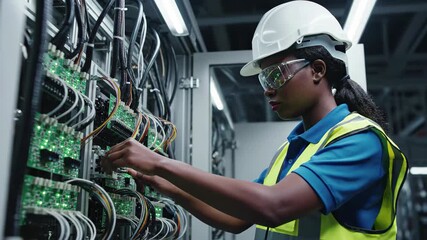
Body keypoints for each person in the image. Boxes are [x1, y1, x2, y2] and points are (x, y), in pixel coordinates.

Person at [104, 1, 408, 239]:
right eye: (264, 78)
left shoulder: (361, 142)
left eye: (276, 74)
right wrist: (164, 184)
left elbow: (272, 207)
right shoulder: (296, 149)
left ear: (317, 69)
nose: (268, 89)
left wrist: (161, 163)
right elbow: (236, 219)